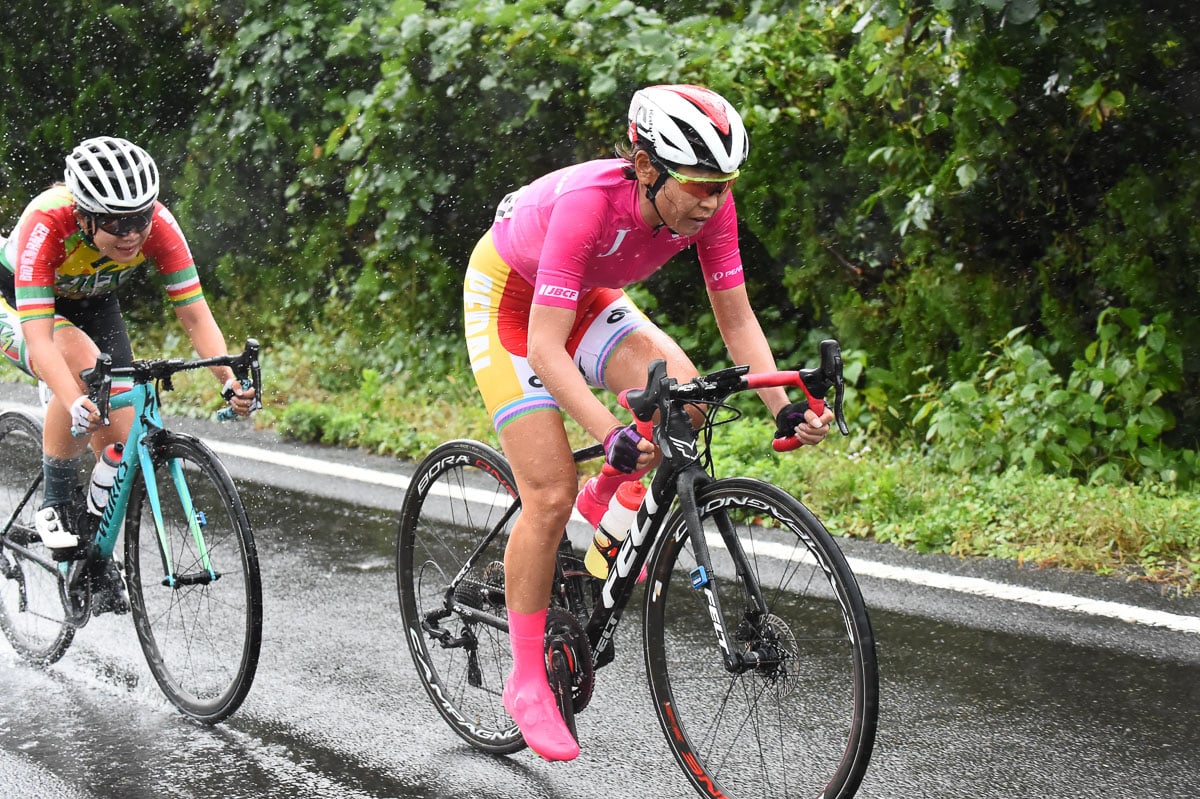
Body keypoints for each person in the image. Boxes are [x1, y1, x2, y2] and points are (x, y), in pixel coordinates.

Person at [462, 84, 835, 761]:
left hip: (588, 299)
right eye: (697, 184)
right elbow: (546, 347)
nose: (711, 201)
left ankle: (605, 510)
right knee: (546, 495)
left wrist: (783, 408)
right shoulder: (587, 205)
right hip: (511, 306)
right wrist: (610, 431)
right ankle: (524, 678)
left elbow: (737, 320)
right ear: (645, 167)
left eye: (723, 186)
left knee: (685, 401)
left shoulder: (710, 206)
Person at [0, 136, 257, 614]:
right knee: (80, 371)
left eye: (140, 218)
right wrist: (72, 397)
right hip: (19, 303)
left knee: (118, 430)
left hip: (93, 300)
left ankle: (94, 555)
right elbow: (40, 339)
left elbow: (195, 315)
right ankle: (56, 501)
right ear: (84, 216)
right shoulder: (48, 223)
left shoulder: (157, 224)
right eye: (118, 223)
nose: (133, 233)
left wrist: (227, 378)